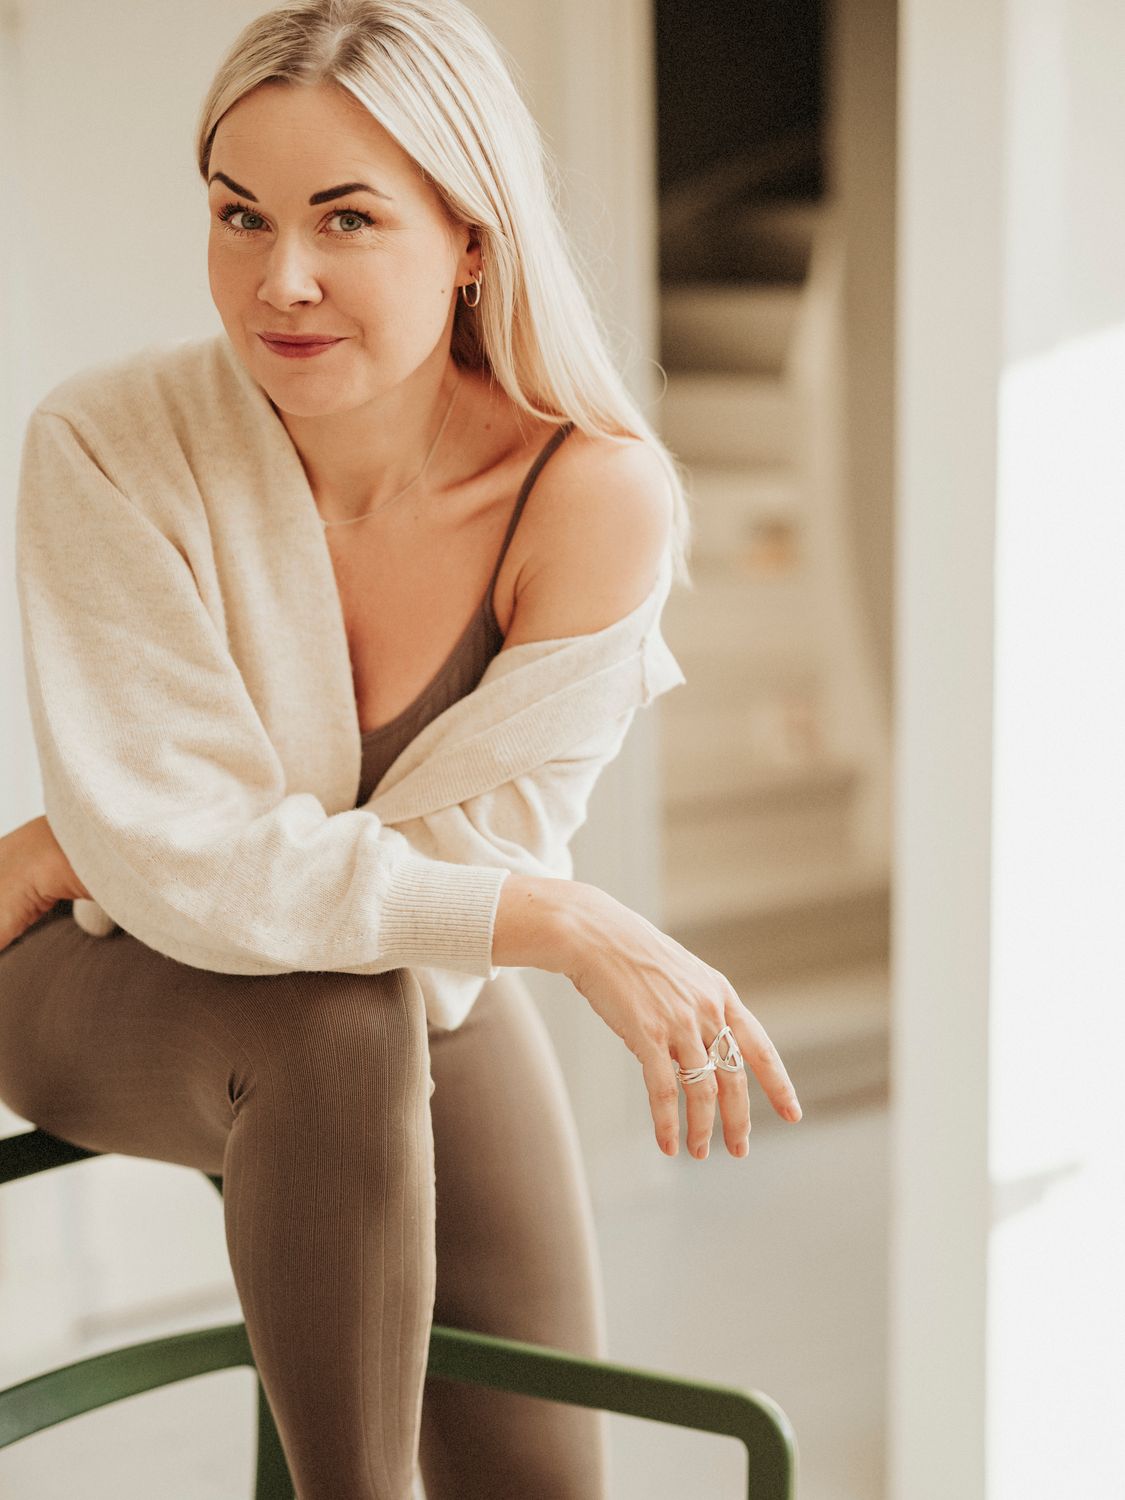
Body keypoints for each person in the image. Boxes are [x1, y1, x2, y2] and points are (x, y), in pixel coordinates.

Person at [0, 2, 802, 1497]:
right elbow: (195, 866)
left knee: (545, 1477)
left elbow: (339, 869)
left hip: (400, 991)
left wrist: (93, 849)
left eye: (345, 219)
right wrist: (559, 920)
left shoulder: (590, 494)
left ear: (473, 240)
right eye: (239, 216)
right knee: (343, 1017)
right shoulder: (106, 445)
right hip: (96, 988)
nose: (277, 280)